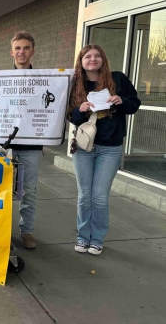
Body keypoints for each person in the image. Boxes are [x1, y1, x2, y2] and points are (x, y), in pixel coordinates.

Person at [68, 44, 140, 256]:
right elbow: (70, 117)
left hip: (110, 148)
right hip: (83, 147)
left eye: (97, 55)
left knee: (99, 196)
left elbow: (134, 105)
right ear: (81, 61)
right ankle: (82, 237)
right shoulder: (76, 84)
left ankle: (97, 239)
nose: (93, 59)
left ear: (103, 59)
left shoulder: (117, 79)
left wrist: (121, 101)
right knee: (84, 195)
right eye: (88, 56)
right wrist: (80, 110)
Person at [9, 31, 42, 249]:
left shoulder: (43, 80)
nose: (22, 52)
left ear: (33, 51)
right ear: (12, 52)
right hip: (6, 145)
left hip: (31, 145)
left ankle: (27, 231)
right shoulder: (1, 80)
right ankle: (4, 233)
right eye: (18, 48)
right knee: (3, 191)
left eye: (26, 48)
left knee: (29, 191)